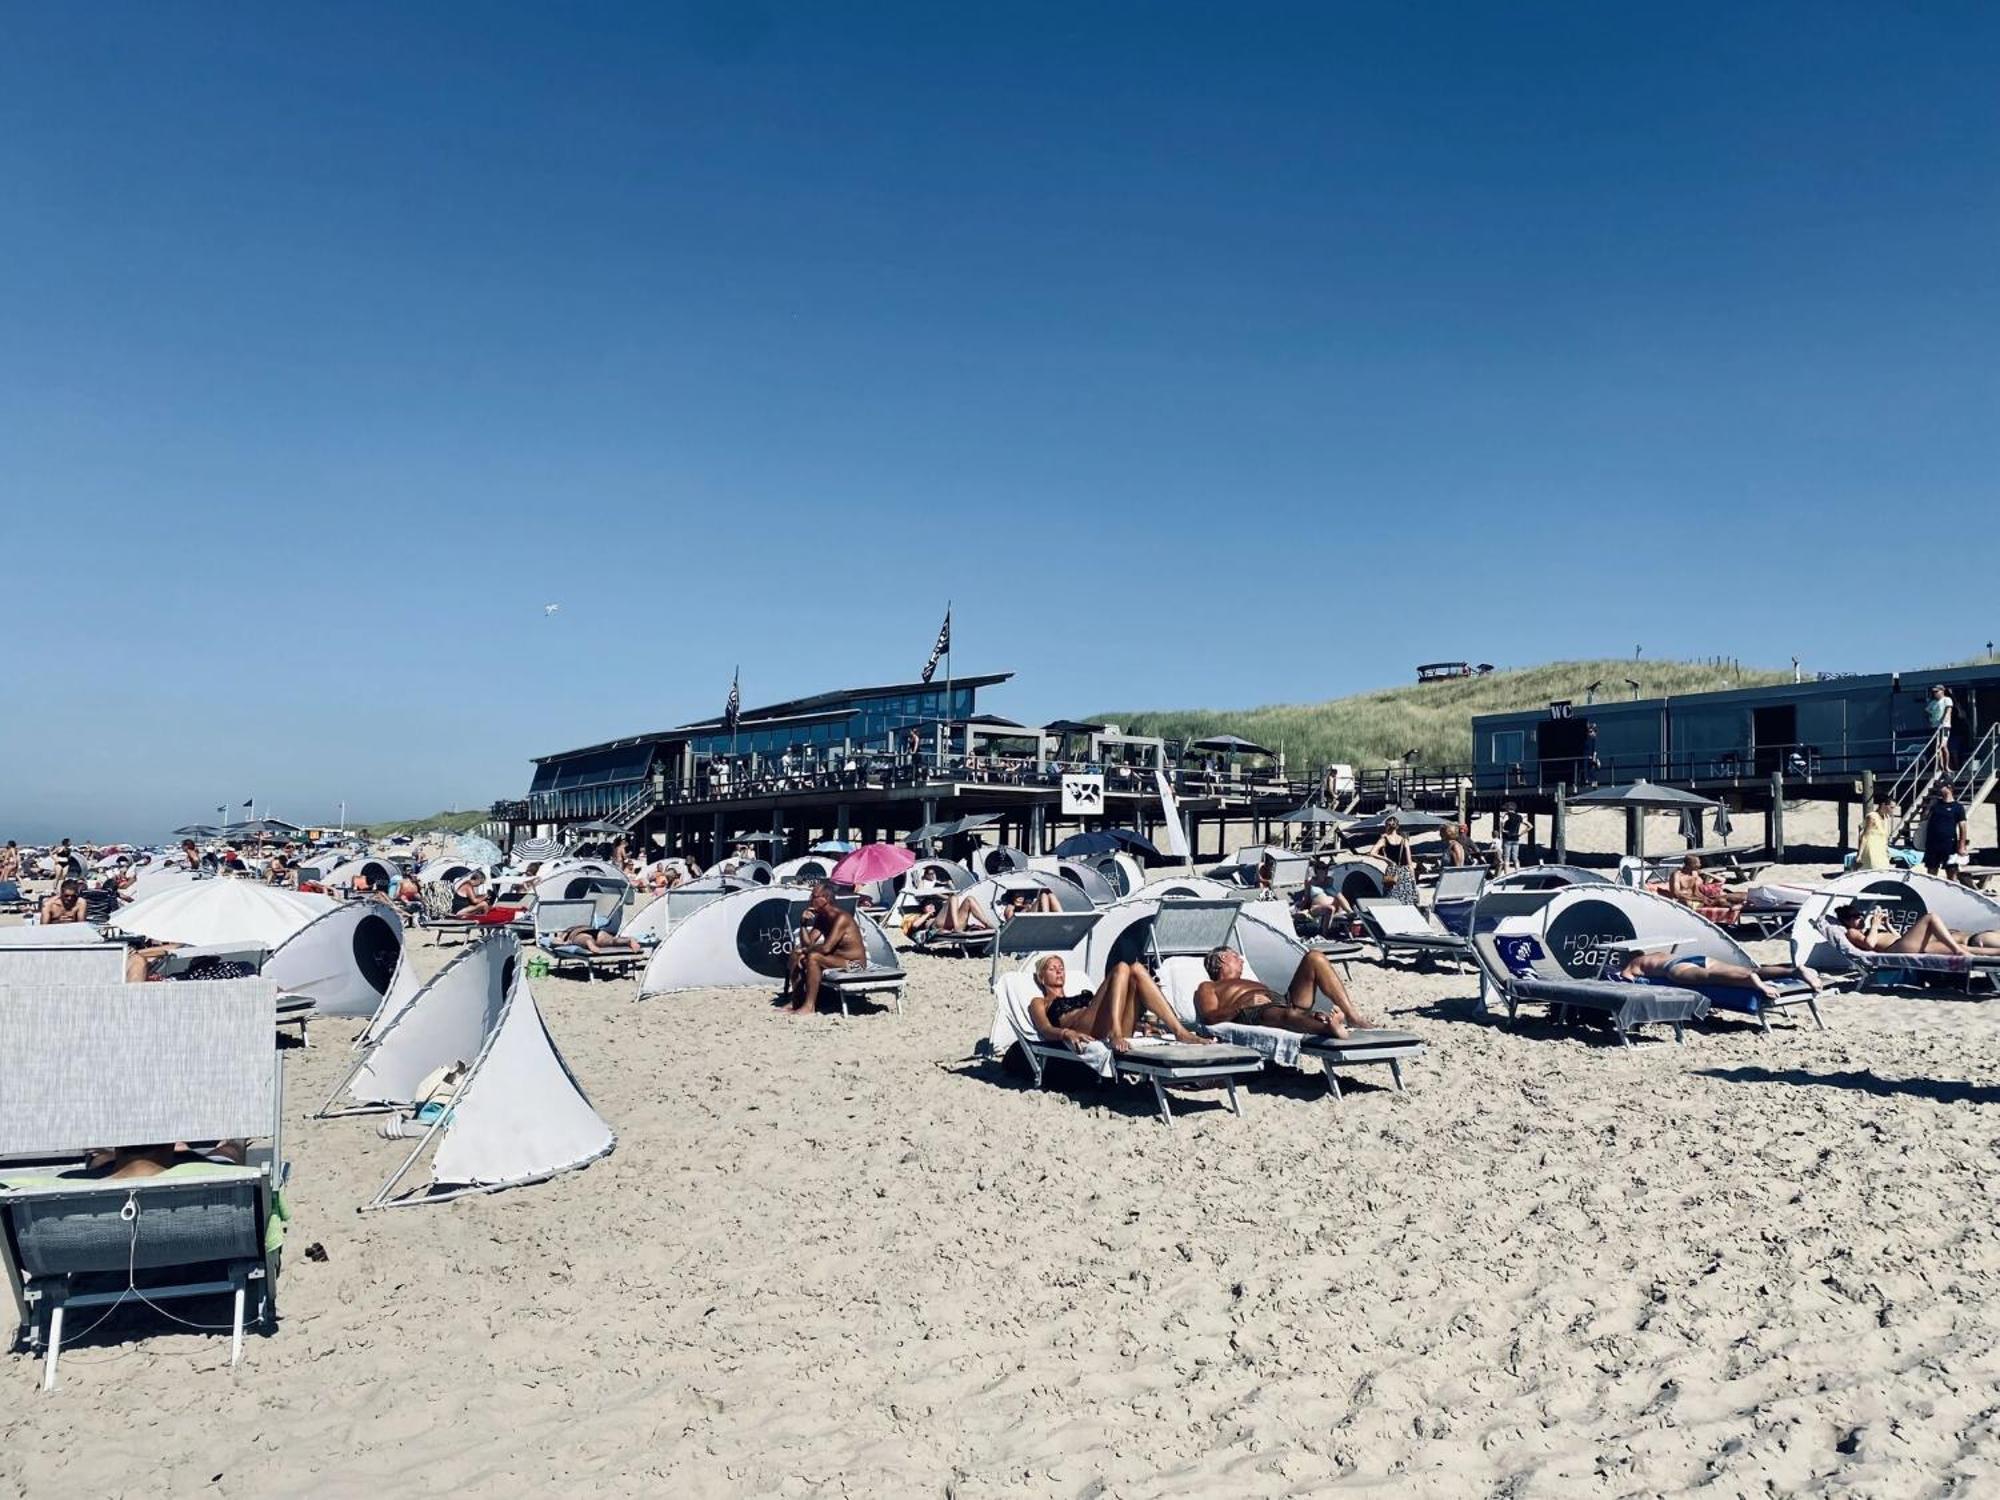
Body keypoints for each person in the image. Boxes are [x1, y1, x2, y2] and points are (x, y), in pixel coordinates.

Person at [1028, 955, 1211, 1051]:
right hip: (1084, 1030)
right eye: (1052, 969)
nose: (1059, 971)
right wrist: (1066, 1033)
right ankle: (1115, 1032)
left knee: (1137, 969)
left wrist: (1140, 1026)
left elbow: (1110, 1006)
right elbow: (1044, 1029)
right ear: (1041, 977)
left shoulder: (1078, 992)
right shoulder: (1040, 1002)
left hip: (1109, 1027)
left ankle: (1180, 1031)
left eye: (1061, 968)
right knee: (1122, 967)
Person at [1193, 946, 1379, 1038]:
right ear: (1224, 958)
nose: (1241, 960)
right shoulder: (1208, 987)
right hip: (1253, 1011)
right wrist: (1242, 1005)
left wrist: (1309, 1014)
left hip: (1281, 1001)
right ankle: (1328, 1029)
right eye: (1236, 956)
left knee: (1314, 957)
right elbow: (1210, 1017)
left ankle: (1352, 1016)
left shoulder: (1246, 979)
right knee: (1286, 1014)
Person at [782, 883, 867, 1015]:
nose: (810, 899)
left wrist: (806, 951)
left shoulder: (842, 918)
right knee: (795, 953)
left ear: (825, 898)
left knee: (813, 957)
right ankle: (797, 1001)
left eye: (813, 896)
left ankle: (809, 1006)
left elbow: (826, 948)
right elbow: (807, 943)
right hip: (838, 960)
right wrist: (803, 924)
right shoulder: (822, 917)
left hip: (855, 964)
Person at [1614, 947, 1821, 998]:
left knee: (1710, 978)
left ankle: (1750, 981)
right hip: (1692, 958)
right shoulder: (1657, 953)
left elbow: (1625, 982)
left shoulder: (1633, 963)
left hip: (1675, 969)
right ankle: (1794, 971)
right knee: (1752, 968)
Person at [1833, 903, 1975, 957]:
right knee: (1930, 918)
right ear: (1846, 921)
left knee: (1958, 945)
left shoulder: (1869, 930)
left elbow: (1898, 937)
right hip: (1895, 950)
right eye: (1855, 917)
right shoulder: (1851, 932)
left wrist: (1887, 925)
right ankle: (1958, 950)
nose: (1860, 918)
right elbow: (1869, 945)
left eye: (1860, 915)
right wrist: (1875, 925)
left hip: (1901, 944)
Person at [1667, 855, 1748, 919]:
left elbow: (1695, 892)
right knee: (1719, 900)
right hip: (1685, 902)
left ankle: (1743, 902)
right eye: (1697, 863)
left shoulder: (1694, 874)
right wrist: (1700, 899)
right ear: (1689, 864)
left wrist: (1704, 898)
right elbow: (1676, 894)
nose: (1700, 865)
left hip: (1695, 900)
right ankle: (1734, 907)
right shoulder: (1676, 875)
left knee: (1722, 897)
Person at [1922, 783, 1968, 879]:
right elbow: (1924, 817)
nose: (1939, 790)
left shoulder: (1958, 807)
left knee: (1951, 871)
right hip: (1933, 844)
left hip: (1949, 844)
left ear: (1949, 788)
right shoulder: (1936, 804)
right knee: (1931, 870)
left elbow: (1962, 827)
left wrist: (1962, 845)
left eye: (1941, 787)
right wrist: (1929, 805)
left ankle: (1951, 891)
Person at [1367, 817, 1417, 902]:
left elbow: (1371, 853)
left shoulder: (1384, 839)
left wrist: (1386, 859)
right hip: (1405, 872)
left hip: (1392, 870)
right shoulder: (1404, 840)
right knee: (1406, 899)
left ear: (1386, 826)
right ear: (1397, 827)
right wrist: (1413, 880)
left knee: (1391, 898)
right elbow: (1409, 862)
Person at [1854, 795, 1896, 872]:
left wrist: (1886, 850)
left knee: (1884, 872)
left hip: (1881, 851)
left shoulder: (1886, 818)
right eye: (1891, 807)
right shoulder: (1872, 817)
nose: (1892, 810)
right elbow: (1864, 836)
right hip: (1871, 850)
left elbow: (1885, 837)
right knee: (1875, 871)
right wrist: (1859, 854)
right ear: (1883, 805)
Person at [554, 924, 643, 955]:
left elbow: (557, 942)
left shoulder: (566, 931)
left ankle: (589, 943)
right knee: (611, 941)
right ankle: (627, 940)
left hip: (579, 934)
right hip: (596, 931)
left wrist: (565, 942)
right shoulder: (585, 923)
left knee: (584, 939)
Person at [1927, 685, 1955, 776]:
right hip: (1935, 726)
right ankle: (1940, 766)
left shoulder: (1947, 700)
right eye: (1934, 692)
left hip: (1945, 726)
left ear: (1942, 691)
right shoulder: (1933, 702)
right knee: (1937, 747)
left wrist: (1944, 720)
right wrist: (1930, 719)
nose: (1935, 693)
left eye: (1936, 691)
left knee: (1943, 745)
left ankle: (1947, 766)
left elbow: (1948, 711)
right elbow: (1927, 712)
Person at [1497, 802, 1529, 871]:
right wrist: (1521, 833)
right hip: (1516, 839)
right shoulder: (1519, 817)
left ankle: (1507, 876)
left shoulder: (1506, 816)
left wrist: (1503, 829)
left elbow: (1501, 829)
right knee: (1515, 858)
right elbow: (1530, 826)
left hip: (1507, 839)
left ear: (1508, 809)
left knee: (1506, 858)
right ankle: (1518, 873)